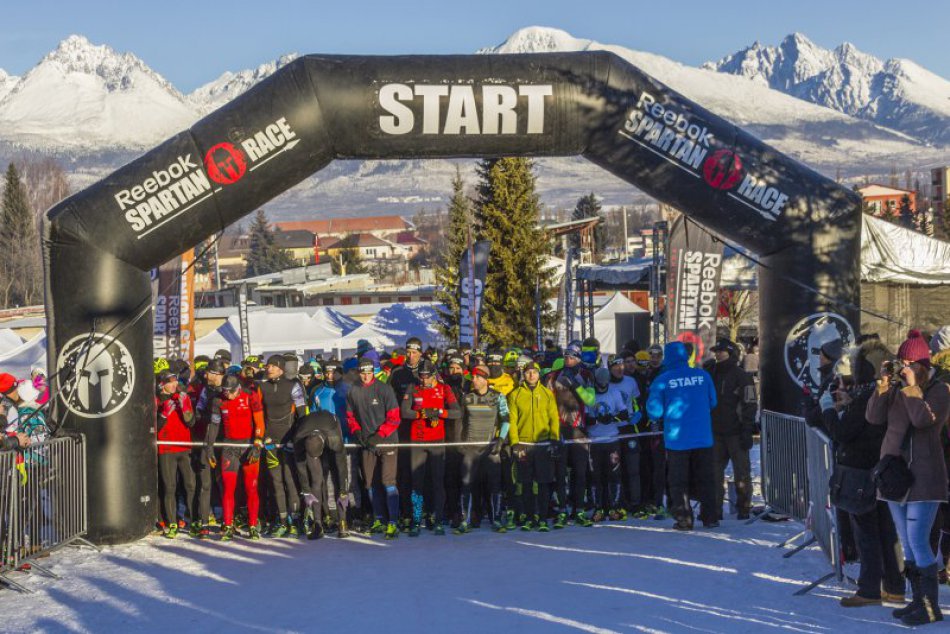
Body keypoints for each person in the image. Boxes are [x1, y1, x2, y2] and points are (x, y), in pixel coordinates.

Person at [867, 329, 949, 625]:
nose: (902, 368)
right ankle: (918, 601)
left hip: (924, 478)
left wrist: (913, 389)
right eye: (899, 362)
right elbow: (873, 418)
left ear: (921, 365)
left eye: (907, 363)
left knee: (918, 540)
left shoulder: (939, 390)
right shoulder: (898, 389)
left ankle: (930, 607)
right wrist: (882, 386)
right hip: (894, 477)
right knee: (906, 540)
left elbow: (924, 421)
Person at [815, 340, 904, 608]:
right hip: (882, 469)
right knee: (887, 531)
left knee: (867, 532)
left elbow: (843, 433)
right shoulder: (888, 392)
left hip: (862, 472)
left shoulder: (870, 395)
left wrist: (828, 408)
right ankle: (895, 587)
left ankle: (869, 589)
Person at [646, 341, 718, 531]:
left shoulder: (662, 380)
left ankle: (684, 519)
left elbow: (654, 411)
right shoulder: (703, 375)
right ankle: (710, 517)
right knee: (706, 478)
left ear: (668, 357)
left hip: (677, 439)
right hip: (703, 437)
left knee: (678, 481)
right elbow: (713, 401)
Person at [400, 359, 460, 536]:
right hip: (417, 441)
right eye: (421, 376)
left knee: (437, 481)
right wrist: (422, 413)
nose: (423, 380)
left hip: (436, 441)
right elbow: (404, 412)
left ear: (434, 375)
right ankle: (417, 519)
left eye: (427, 377)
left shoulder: (444, 388)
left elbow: (457, 412)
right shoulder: (413, 387)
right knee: (417, 483)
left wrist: (439, 412)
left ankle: (438, 518)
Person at [347, 356, 402, 539]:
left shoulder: (384, 389)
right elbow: (350, 416)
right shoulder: (353, 390)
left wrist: (379, 435)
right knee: (370, 483)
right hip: (367, 443)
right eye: (362, 373)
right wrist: (357, 433)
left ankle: (393, 521)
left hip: (387, 442)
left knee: (388, 482)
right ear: (358, 373)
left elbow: (395, 418)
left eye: (369, 373)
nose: (365, 377)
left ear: (374, 372)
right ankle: (379, 518)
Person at [205, 374, 265, 541]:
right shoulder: (218, 400)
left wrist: (257, 444)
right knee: (228, 487)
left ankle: (253, 525)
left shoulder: (250, 395)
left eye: (230, 392)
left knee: (251, 487)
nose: (227, 395)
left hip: (248, 445)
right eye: (224, 391)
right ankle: (228, 525)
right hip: (229, 446)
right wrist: (209, 446)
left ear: (238, 388)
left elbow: (259, 422)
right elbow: (214, 424)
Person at [257, 354, 307, 537]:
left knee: (290, 480)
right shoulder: (262, 386)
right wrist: (261, 436)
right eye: (267, 366)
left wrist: (297, 438)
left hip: (289, 440)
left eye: (271, 366)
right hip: (270, 441)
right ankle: (282, 519)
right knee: (276, 482)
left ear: (280, 368)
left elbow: (302, 414)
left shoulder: (293, 385)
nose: (267, 368)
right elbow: (258, 414)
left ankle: (295, 520)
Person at [507, 362, 559, 531]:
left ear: (539, 374)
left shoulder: (547, 393)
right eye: (528, 372)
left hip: (543, 444)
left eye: (534, 372)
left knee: (543, 483)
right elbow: (512, 421)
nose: (531, 375)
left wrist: (554, 439)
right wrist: (514, 443)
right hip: (524, 445)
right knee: (526, 483)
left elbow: (554, 418)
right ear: (524, 374)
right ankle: (529, 518)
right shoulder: (515, 394)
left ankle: (542, 518)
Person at [709, 339, 757, 521]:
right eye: (716, 351)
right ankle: (715, 509)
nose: (718, 354)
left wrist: (747, 429)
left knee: (742, 473)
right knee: (714, 474)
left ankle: (744, 508)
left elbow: (751, 403)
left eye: (722, 351)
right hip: (716, 431)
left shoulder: (742, 375)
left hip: (736, 432)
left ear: (731, 353)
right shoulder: (711, 373)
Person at [458, 365, 509, 533]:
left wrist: (501, 440)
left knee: (494, 485)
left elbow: (506, 420)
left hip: (490, 448)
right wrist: (460, 442)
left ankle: (496, 520)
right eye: (472, 377)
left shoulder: (497, 397)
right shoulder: (467, 397)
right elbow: (460, 422)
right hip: (471, 447)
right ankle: (465, 520)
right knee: (466, 484)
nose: (473, 380)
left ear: (484, 379)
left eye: (476, 377)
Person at [294, 409, 350, 539]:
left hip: (330, 424)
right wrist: (306, 490)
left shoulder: (334, 438)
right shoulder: (299, 438)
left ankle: (343, 522)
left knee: (337, 476)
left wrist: (343, 489)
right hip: (308, 428)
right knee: (316, 480)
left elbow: (342, 468)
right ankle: (317, 524)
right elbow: (300, 466)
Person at [154, 370, 195, 538]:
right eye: (170, 382)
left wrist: (185, 408)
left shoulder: (181, 398)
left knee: (190, 485)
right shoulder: (156, 400)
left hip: (184, 448)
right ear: (162, 384)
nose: (174, 385)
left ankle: (193, 520)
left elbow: (191, 422)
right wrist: (163, 415)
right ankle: (171, 523)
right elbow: (153, 428)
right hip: (166, 449)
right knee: (169, 487)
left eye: (175, 382)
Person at [587, 367, 629, 522]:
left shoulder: (614, 392)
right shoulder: (590, 394)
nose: (602, 386)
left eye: (605, 383)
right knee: (595, 476)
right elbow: (585, 418)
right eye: (600, 383)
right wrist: (598, 420)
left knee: (614, 475)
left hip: (612, 440)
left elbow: (624, 414)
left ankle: (614, 507)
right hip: (594, 441)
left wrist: (612, 418)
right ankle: (598, 508)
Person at [607, 355, 642, 515]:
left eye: (621, 365)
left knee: (633, 468)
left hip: (628, 428)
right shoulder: (605, 383)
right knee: (615, 469)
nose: (620, 369)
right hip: (612, 430)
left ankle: (635, 502)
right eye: (615, 366)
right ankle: (616, 502)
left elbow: (637, 402)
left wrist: (638, 413)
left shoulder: (630, 381)